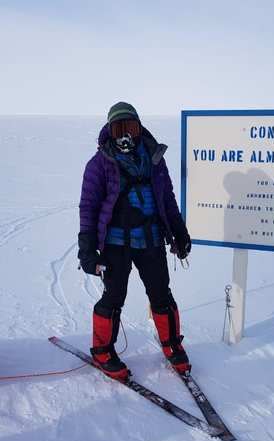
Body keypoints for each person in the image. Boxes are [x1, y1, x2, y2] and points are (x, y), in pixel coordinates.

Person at [77, 102, 192, 381]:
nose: (125, 134)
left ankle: (172, 345)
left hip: (151, 240)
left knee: (161, 294)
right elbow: (88, 208)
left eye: (130, 127)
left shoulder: (154, 159)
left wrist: (179, 232)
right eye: (119, 128)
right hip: (116, 244)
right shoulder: (99, 164)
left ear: (139, 128)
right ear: (110, 131)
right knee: (114, 297)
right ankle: (103, 350)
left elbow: (167, 199)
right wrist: (87, 250)